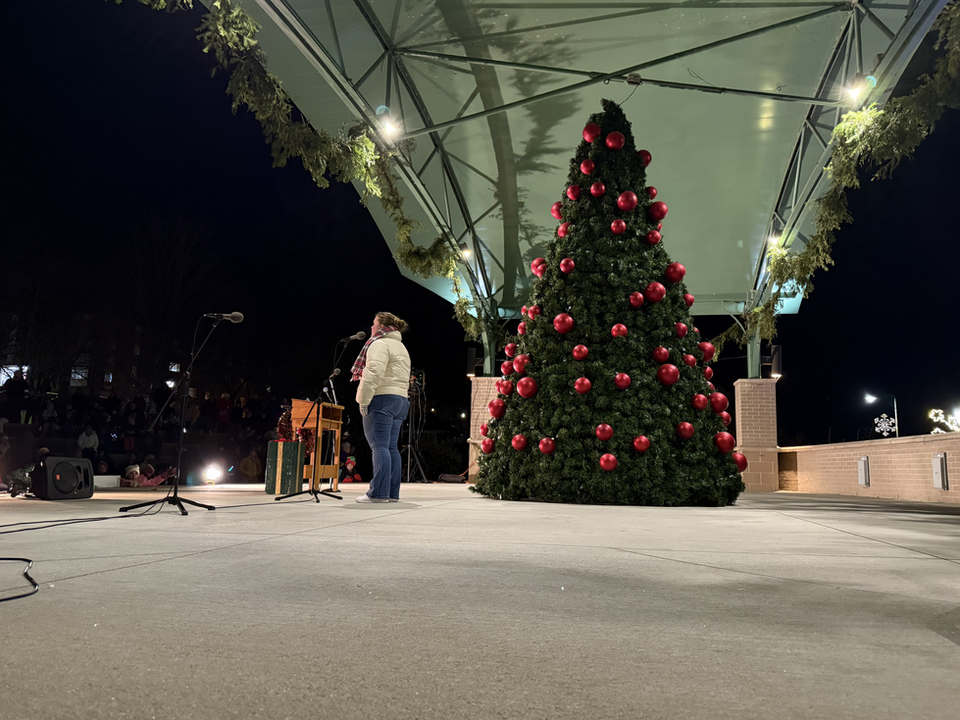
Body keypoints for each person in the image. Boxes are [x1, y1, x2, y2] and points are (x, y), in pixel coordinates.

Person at [351, 312, 411, 503]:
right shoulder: (401, 347)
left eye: (374, 323)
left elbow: (373, 373)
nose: (371, 327)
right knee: (391, 447)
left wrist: (363, 399)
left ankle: (378, 493)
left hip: (382, 399)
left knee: (379, 447)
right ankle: (391, 493)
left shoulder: (379, 344)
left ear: (382, 327)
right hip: (400, 400)